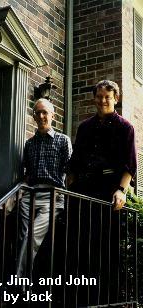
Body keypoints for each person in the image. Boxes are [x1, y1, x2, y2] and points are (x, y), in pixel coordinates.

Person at [67, 80, 137, 305]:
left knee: (106, 251)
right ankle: (82, 299)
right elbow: (75, 162)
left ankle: (106, 300)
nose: (102, 100)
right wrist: (70, 186)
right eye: (99, 96)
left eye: (107, 97)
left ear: (116, 98)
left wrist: (121, 190)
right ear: (94, 98)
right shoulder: (85, 127)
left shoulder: (125, 127)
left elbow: (130, 165)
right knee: (80, 247)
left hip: (108, 196)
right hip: (82, 194)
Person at [15, 98, 72, 283]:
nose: (41, 116)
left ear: (52, 115)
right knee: (24, 237)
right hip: (30, 195)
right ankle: (25, 285)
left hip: (53, 196)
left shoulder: (63, 141)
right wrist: (19, 193)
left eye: (45, 112)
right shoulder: (29, 144)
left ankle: (17, 280)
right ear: (33, 116)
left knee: (32, 236)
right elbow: (26, 174)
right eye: (37, 112)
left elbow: (70, 173)